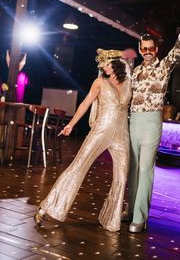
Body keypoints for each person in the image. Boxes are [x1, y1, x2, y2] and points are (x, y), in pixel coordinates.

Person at [34, 48, 132, 232]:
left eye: (107, 63)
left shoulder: (128, 82)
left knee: (122, 176)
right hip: (101, 131)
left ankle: (110, 219)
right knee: (78, 167)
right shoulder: (100, 82)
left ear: (117, 64)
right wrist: (71, 124)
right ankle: (47, 207)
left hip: (121, 135)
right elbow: (85, 103)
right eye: (102, 63)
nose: (104, 66)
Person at [124, 0, 180, 232]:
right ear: (140, 50)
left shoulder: (164, 66)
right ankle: (130, 208)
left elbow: (179, 48)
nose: (147, 52)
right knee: (133, 168)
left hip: (152, 121)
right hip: (133, 121)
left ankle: (140, 216)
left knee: (145, 168)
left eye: (151, 49)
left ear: (156, 49)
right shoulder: (134, 72)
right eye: (143, 49)